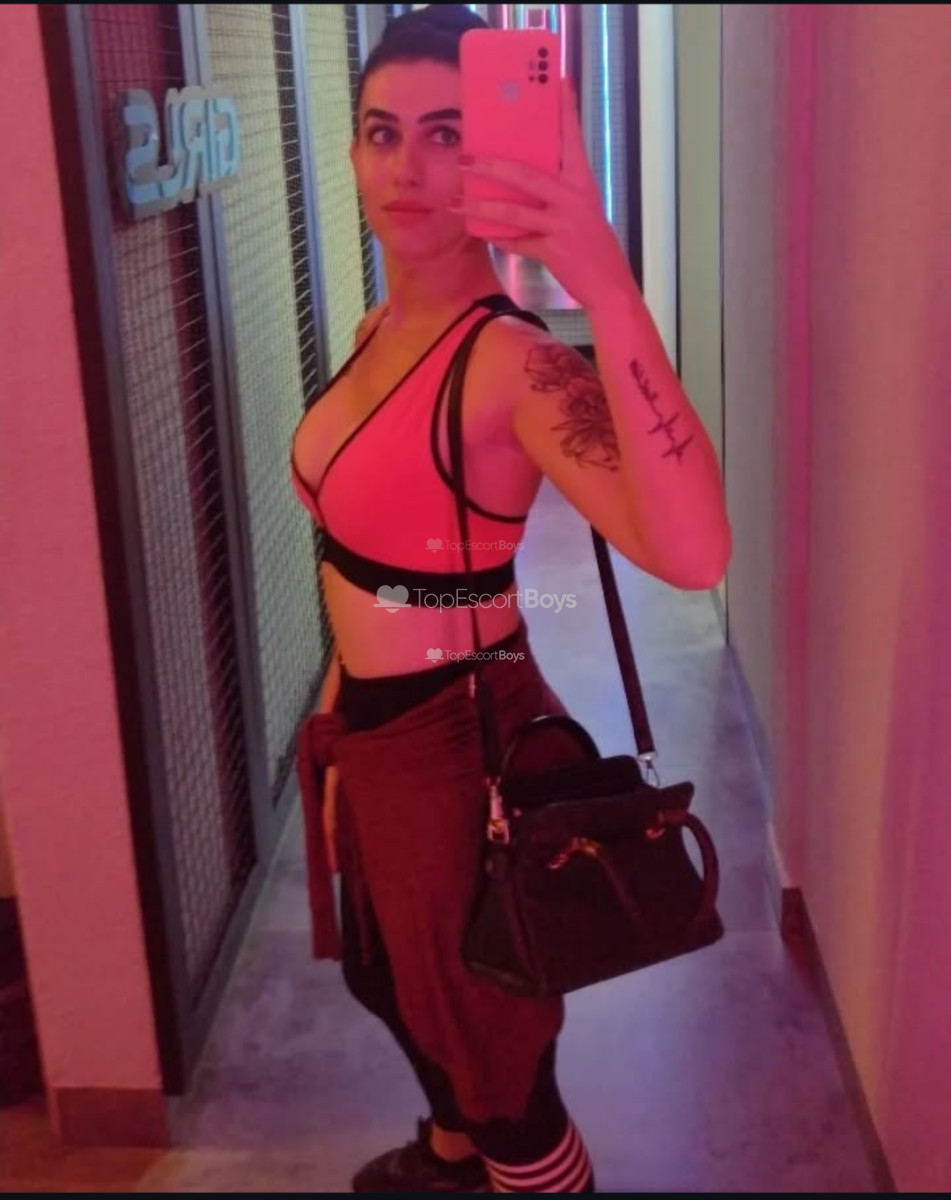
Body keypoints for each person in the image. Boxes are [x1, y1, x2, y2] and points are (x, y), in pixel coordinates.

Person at [290, 6, 731, 1193]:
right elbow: (361, 552)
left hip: (458, 736)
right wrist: (339, 721)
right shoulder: (379, 330)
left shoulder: (515, 364)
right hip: (377, 732)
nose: (406, 167)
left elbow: (694, 553)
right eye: (383, 131)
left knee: (496, 1049)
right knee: (391, 977)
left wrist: (604, 281)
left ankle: (517, 1166)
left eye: (447, 134)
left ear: (495, 158)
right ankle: (449, 1158)